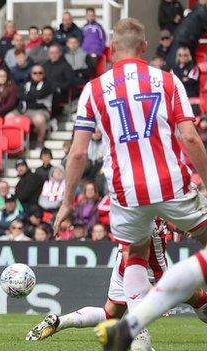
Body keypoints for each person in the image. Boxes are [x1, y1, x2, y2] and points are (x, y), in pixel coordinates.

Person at [48, 18, 207, 350]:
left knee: (134, 252)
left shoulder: (93, 89)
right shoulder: (167, 81)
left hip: (127, 192)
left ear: (110, 50)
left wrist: (66, 203)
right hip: (172, 184)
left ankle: (139, 342)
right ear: (145, 48)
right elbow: (190, 137)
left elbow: (77, 154)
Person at [28, 219, 207, 342]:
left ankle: (59, 322)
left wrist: (188, 228)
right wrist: (152, 290)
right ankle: (140, 343)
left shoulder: (144, 206)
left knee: (110, 313)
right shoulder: (142, 217)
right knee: (196, 297)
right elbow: (133, 255)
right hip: (145, 271)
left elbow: (172, 222)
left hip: (122, 267)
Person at [9, 64, 53, 147]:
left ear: (43, 74)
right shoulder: (26, 84)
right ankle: (16, 142)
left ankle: (40, 140)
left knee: (39, 120)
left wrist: (28, 95)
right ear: (31, 74)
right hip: (24, 109)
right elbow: (19, 95)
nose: (37, 75)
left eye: (40, 73)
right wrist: (32, 96)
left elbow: (38, 95)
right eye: (35, 73)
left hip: (40, 110)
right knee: (9, 117)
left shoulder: (47, 85)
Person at [171, 46, 200, 115]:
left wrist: (180, 79)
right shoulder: (174, 68)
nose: (183, 57)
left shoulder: (194, 67)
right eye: (180, 55)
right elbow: (172, 82)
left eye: (185, 55)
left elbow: (191, 81)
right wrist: (184, 79)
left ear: (189, 56)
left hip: (192, 100)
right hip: (178, 100)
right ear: (177, 56)